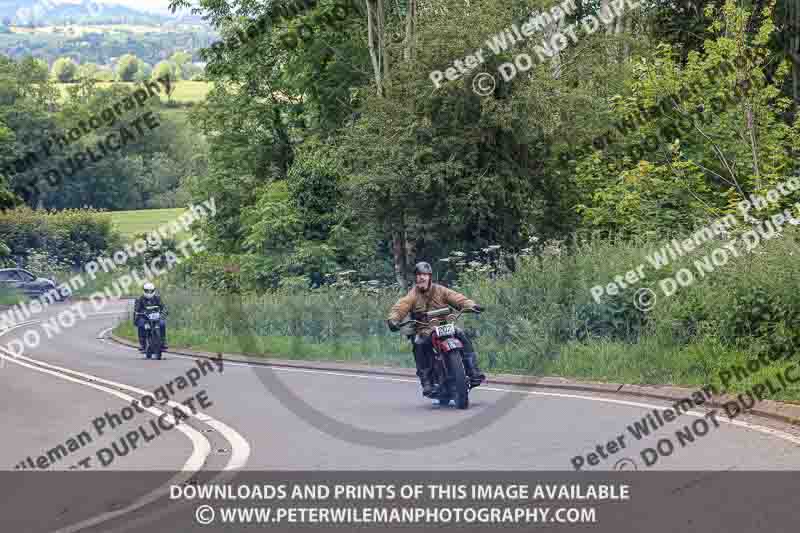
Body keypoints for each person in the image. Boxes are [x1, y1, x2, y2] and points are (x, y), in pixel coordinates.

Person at [386, 261, 486, 397]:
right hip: (425, 329)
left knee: (461, 334)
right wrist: (394, 319)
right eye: (419, 275)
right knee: (419, 345)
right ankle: (426, 382)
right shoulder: (412, 295)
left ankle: (473, 371)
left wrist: (471, 305)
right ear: (415, 278)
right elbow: (400, 307)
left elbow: (457, 298)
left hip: (445, 325)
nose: (422, 277)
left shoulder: (440, 290)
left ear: (430, 277)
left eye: (425, 275)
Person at [133, 281, 168, 352]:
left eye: (151, 291)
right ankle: (142, 344)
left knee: (162, 324)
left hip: (156, 317)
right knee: (141, 325)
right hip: (144, 317)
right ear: (143, 291)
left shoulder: (157, 298)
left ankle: (163, 342)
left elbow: (163, 307)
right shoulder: (139, 299)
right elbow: (137, 309)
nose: (149, 292)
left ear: (154, 290)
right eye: (147, 291)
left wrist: (164, 312)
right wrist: (139, 313)